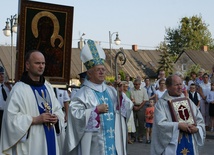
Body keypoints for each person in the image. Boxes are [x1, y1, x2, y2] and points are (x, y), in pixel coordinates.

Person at [65, 40, 133, 155]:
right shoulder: (83, 93)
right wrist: (95, 111)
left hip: (113, 143)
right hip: (94, 145)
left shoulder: (111, 90)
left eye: (103, 69)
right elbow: (74, 115)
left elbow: (126, 109)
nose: (102, 72)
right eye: (98, 70)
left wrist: (120, 95)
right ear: (89, 74)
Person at [0, 50, 64, 155]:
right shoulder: (18, 89)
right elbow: (10, 120)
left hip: (50, 137)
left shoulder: (48, 86)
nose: (41, 66)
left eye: (43, 63)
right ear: (27, 65)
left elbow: (58, 109)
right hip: (31, 143)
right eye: (37, 63)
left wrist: (56, 117)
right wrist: (35, 119)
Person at [151, 74, 205, 155]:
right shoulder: (161, 104)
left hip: (189, 141)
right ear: (168, 87)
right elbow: (160, 124)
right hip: (172, 145)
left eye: (181, 84)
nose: (180, 87)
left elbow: (200, 120)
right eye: (176, 85)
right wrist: (178, 126)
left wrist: (197, 129)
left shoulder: (188, 101)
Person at [131, 79, 149, 143]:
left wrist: (139, 108)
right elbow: (131, 99)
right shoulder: (131, 90)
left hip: (141, 106)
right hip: (133, 106)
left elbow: (145, 100)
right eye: (135, 84)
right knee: (133, 123)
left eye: (137, 84)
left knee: (141, 123)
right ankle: (133, 137)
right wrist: (134, 106)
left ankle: (140, 136)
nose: (136, 86)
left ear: (140, 84)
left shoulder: (144, 90)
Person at [0, 66, 12, 137]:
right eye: (0, 74)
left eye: (2, 74)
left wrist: (10, 88)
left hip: (6, 112)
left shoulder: (7, 86)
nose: (2, 76)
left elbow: (13, 97)